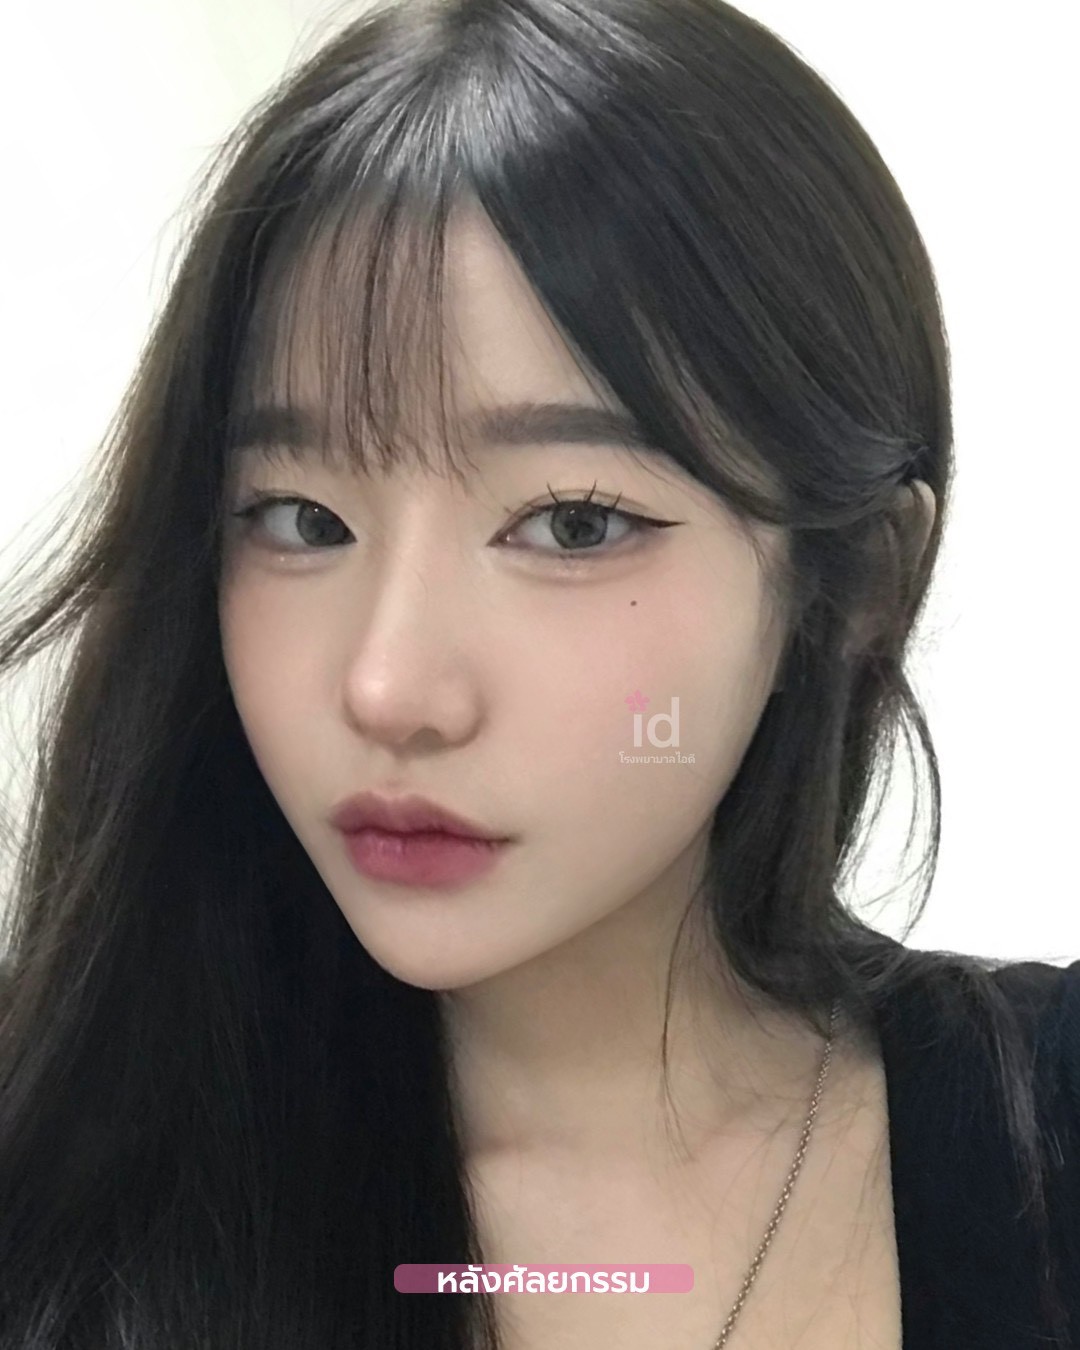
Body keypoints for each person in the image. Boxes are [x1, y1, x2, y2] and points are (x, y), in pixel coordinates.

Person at [0, 0, 1075, 1346]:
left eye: (571, 523)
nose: (390, 690)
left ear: (850, 582)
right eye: (301, 518)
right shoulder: (62, 1179)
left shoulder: (1043, 1135)